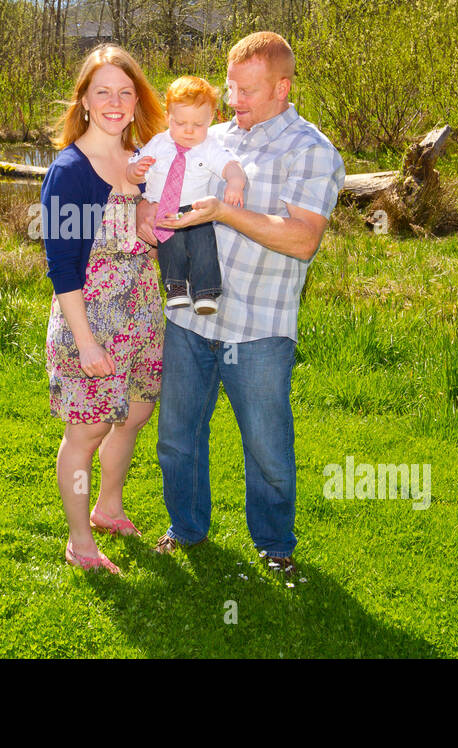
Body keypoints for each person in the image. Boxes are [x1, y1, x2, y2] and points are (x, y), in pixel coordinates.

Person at [135, 32, 346, 574]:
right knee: (177, 438)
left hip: (259, 326)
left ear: (283, 86)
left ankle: (276, 546)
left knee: (267, 450)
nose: (235, 101)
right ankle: (186, 530)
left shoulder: (312, 150)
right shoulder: (211, 136)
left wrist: (224, 213)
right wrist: (142, 204)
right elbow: (154, 181)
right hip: (188, 317)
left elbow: (302, 239)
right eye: (230, 87)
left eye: (248, 91)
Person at [40, 44, 167, 575]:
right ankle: (79, 543)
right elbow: (63, 267)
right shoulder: (71, 171)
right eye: (102, 92)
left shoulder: (144, 161)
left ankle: (108, 508)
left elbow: (157, 233)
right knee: (86, 431)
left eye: (124, 92)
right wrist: (86, 342)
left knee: (136, 413)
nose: (114, 102)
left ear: (136, 101)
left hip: (142, 315)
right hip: (91, 322)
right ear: (85, 102)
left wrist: (152, 219)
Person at [125, 76, 246, 315]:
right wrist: (135, 171)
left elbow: (230, 164)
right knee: (170, 247)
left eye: (198, 125)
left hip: (195, 208)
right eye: (180, 123)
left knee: (203, 246)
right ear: (168, 115)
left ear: (210, 119)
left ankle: (205, 291)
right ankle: (175, 287)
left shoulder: (209, 146)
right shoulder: (159, 143)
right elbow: (133, 168)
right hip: (164, 207)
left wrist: (235, 181)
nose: (189, 131)